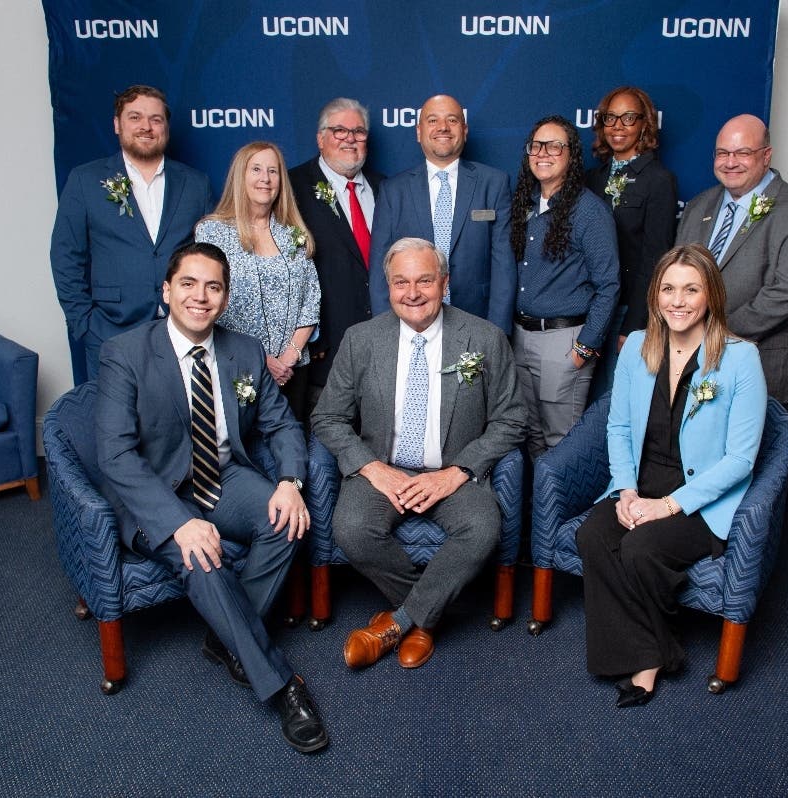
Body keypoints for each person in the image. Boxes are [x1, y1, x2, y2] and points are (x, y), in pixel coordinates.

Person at [95, 241, 328, 753]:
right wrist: (178, 523)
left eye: (213, 287)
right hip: (158, 494)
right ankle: (281, 684)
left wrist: (290, 483)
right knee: (203, 560)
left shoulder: (244, 350)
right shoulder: (125, 353)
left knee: (288, 521)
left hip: (223, 477)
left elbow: (281, 424)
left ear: (224, 298)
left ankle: (226, 639)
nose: (200, 297)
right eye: (188, 284)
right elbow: (115, 455)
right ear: (166, 291)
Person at [311, 238, 526, 669]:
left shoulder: (484, 338)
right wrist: (373, 468)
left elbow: (513, 418)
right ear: (388, 287)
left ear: (445, 283)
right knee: (351, 528)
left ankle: (399, 622)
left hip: (450, 472)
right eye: (401, 282)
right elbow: (327, 417)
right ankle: (425, 617)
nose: (412, 293)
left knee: (483, 528)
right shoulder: (360, 340)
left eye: (425, 281)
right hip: (383, 469)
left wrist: (457, 472)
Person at [575, 243, 767, 708]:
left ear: (711, 295)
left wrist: (667, 506)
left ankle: (646, 663)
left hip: (700, 499)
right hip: (640, 484)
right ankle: (658, 649)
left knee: (640, 549)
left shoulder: (741, 358)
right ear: (655, 295)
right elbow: (619, 427)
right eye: (668, 289)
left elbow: (741, 459)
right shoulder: (637, 348)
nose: (677, 301)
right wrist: (626, 491)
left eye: (691, 290)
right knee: (592, 536)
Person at [51, 85, 214, 383]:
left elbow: (210, 258)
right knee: (114, 413)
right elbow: (66, 256)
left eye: (155, 119)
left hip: (182, 332)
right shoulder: (85, 180)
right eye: (135, 117)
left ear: (165, 127)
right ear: (117, 124)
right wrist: (84, 323)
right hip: (110, 331)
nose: (146, 127)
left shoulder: (195, 184)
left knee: (180, 413)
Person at [676, 114, 788, 403]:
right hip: (687, 361)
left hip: (757, 363)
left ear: (766, 155)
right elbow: (676, 276)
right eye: (722, 153)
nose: (730, 162)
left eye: (742, 153)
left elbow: (787, 292)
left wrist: (712, 334)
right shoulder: (698, 206)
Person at [509, 115, 619, 457]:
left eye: (555, 146)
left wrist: (584, 348)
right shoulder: (525, 205)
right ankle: (537, 496)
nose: (543, 153)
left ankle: (561, 498)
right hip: (520, 337)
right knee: (530, 437)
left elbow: (609, 285)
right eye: (537, 145)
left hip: (563, 341)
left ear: (571, 155)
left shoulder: (589, 211)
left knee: (562, 442)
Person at [368, 95, 515, 334]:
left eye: (452, 120)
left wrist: (497, 333)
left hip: (476, 323)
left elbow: (503, 266)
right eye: (433, 120)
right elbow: (379, 269)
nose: (443, 127)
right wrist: (386, 332)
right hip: (410, 325)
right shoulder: (393, 190)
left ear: (464, 130)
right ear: (419, 132)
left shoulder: (494, 183)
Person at [196, 142, 321, 420]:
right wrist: (263, 361)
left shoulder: (294, 234)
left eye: (273, 171)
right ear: (240, 176)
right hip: (238, 367)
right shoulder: (212, 232)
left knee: (291, 442)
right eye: (256, 169)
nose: (265, 178)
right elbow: (209, 304)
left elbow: (311, 302)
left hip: (291, 371)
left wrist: (288, 358)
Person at [289, 98, 384, 413]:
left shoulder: (386, 187)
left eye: (358, 131)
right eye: (339, 130)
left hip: (383, 346)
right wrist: (312, 339)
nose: (350, 139)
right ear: (320, 138)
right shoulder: (292, 187)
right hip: (324, 350)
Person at [585, 87, 678, 398]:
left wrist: (634, 324)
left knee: (613, 397)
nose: (618, 126)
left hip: (626, 311)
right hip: (590, 308)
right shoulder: (592, 179)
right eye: (610, 118)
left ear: (644, 124)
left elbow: (656, 259)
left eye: (628, 118)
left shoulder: (658, 180)